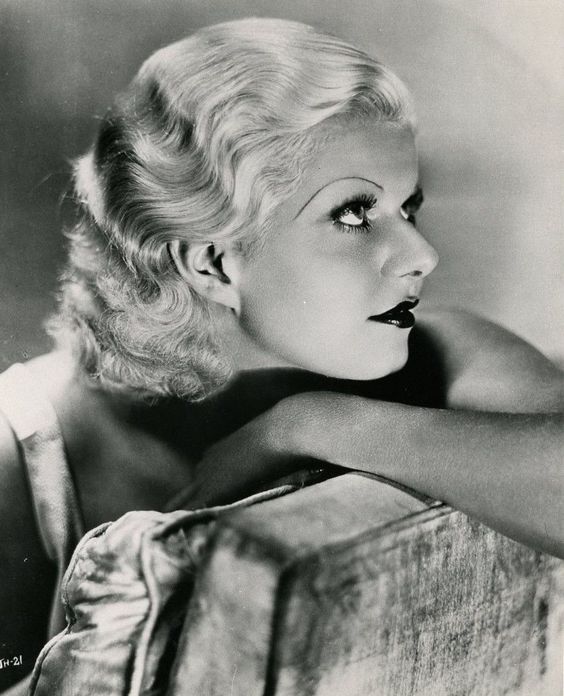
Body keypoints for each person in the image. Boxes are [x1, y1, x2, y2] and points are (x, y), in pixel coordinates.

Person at [0, 17, 562, 694]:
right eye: (354, 213)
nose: (422, 255)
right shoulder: (21, 456)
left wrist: (311, 422)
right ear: (212, 263)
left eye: (407, 209)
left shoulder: (442, 354)